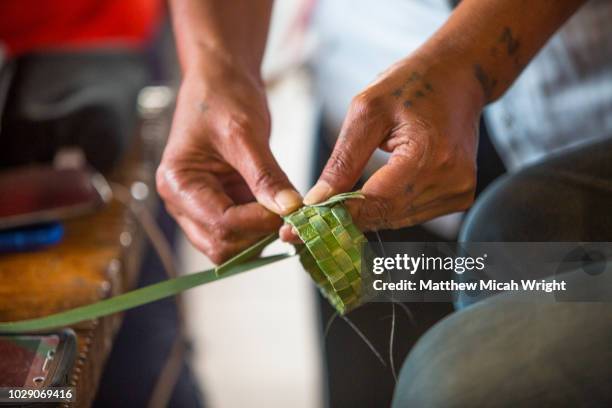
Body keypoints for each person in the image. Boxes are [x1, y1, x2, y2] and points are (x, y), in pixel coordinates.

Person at [158, 0, 612, 406]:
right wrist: (217, 68)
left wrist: (467, 61)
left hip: (584, 119)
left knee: (455, 382)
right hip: (370, 98)